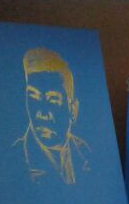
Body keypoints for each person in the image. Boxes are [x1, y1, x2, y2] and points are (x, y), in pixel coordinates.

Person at [15, 48, 90, 185]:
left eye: (53, 100)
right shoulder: (16, 159)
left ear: (73, 110)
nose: (42, 113)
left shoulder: (84, 151)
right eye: (33, 97)